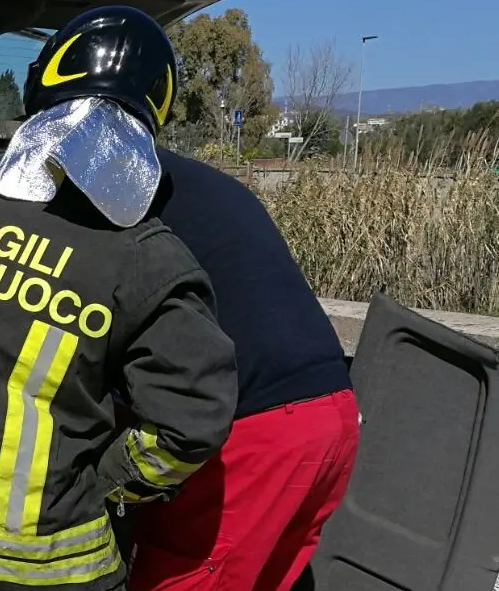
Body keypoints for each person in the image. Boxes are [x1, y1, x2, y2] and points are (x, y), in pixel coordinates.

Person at [0, 6, 239, 591]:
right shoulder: (144, 257)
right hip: (35, 564)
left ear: (43, 82)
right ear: (154, 112)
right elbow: (191, 421)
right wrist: (108, 483)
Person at [124, 157, 357, 589]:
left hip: (259, 431)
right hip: (332, 413)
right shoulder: (189, 181)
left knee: (180, 576)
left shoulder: (114, 193)